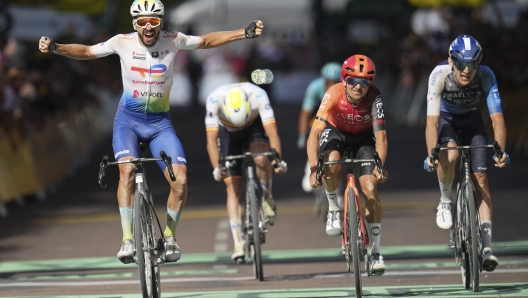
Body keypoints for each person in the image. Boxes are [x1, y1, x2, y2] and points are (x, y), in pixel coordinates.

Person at [38, 0, 265, 264]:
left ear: (161, 23)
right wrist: (56, 48)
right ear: (135, 24)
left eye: (154, 21)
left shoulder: (174, 39)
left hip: (160, 125)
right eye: (142, 22)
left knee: (180, 182)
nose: (148, 26)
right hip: (128, 122)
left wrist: (242, 33)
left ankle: (169, 236)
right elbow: (88, 52)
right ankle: (126, 239)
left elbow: (205, 41)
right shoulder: (121, 41)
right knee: (126, 170)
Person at [424, 35, 509, 272]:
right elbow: (431, 123)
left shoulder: (486, 74)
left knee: (481, 180)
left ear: (479, 62)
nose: (466, 71)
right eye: (461, 64)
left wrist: (500, 150)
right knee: (449, 155)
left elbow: (497, 119)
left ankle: (488, 247)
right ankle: (444, 201)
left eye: (472, 65)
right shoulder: (438, 74)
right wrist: (432, 154)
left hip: (472, 120)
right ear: (451, 62)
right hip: (446, 119)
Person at [306, 54, 389, 275]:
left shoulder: (375, 97)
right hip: (336, 133)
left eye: (364, 82)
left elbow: (381, 137)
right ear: (345, 79)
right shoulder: (333, 93)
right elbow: (315, 133)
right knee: (331, 162)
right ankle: (334, 206)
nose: (358, 87)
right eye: (353, 80)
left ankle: (376, 252)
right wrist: (314, 167)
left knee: (370, 189)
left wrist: (379, 166)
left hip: (363, 138)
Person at [205, 82, 287, 262]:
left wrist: (277, 160)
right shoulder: (214, 99)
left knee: (260, 157)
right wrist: (217, 168)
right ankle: (238, 242)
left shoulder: (258, 96)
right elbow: (211, 140)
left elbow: (272, 132)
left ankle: (267, 196)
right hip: (228, 133)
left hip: (254, 126)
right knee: (232, 187)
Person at [298, 62, 341, 216]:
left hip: (336, 114)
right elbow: (305, 113)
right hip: (318, 112)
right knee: (314, 126)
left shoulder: (344, 88)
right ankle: (310, 165)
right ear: (323, 80)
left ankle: (339, 191)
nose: (331, 85)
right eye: (328, 82)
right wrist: (303, 136)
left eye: (335, 82)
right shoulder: (314, 88)